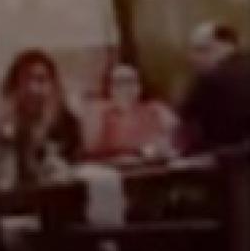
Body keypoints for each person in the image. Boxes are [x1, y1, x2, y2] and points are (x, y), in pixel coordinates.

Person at [0, 49, 82, 186]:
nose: (32, 89)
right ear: (13, 88)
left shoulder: (68, 126)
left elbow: (77, 174)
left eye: (41, 80)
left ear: (54, 86)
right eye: (25, 80)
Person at [84, 62, 179, 162]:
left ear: (139, 86)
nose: (125, 87)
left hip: (152, 165)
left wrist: (161, 148)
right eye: (118, 83)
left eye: (130, 81)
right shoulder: (101, 112)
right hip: (114, 167)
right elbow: (90, 148)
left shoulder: (156, 109)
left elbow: (177, 140)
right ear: (109, 88)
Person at [180, 22, 250, 153]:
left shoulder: (210, 80)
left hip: (225, 156)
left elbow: (186, 122)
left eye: (201, 50)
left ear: (225, 47)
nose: (192, 58)